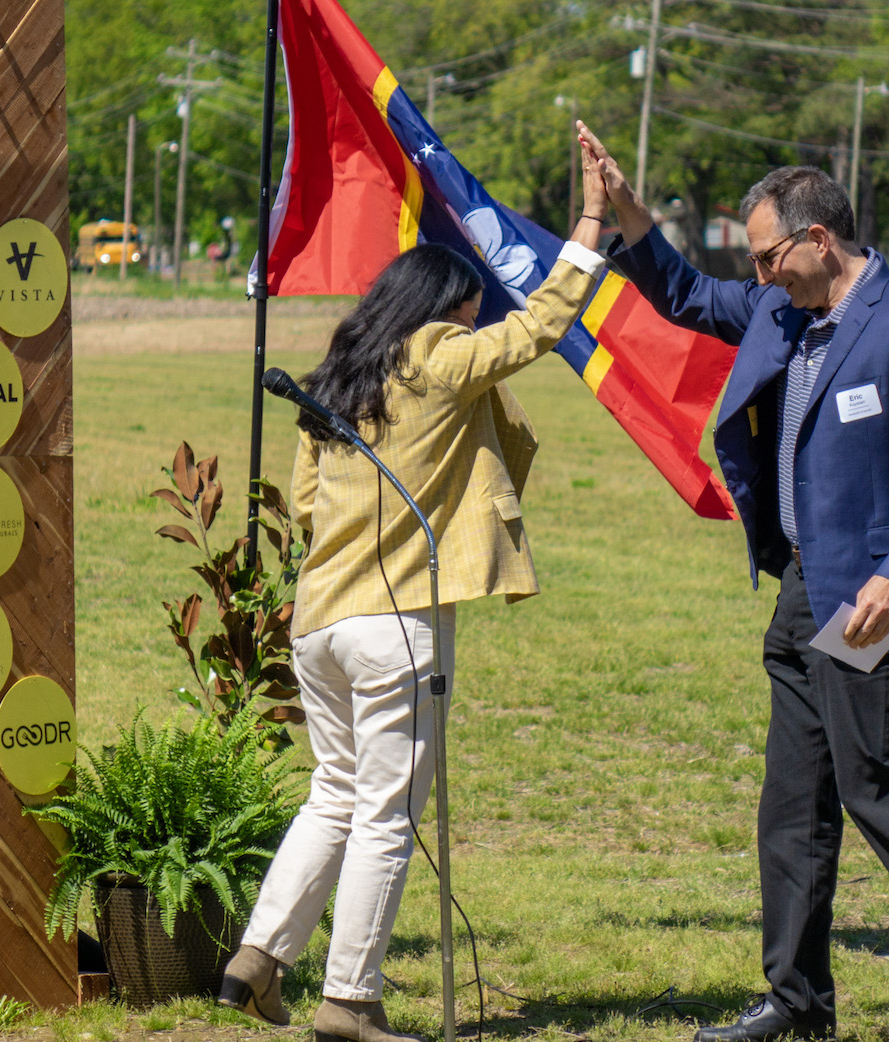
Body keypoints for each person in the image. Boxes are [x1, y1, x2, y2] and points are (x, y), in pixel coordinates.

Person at [575, 123, 889, 1042]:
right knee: (792, 802)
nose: (759, 276)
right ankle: (798, 1004)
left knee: (874, 786)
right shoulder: (778, 310)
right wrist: (626, 208)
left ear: (819, 240)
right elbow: (681, 291)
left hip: (866, 601)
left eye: (768, 257)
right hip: (803, 591)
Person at [218, 141, 611, 1042]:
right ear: (444, 309)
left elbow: (309, 506)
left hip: (318, 626)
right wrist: (589, 226)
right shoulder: (439, 356)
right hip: (397, 628)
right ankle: (350, 1001)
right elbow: (543, 325)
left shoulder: (338, 375)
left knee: (334, 796)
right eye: (470, 307)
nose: (476, 320)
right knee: (388, 819)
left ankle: (258, 959)